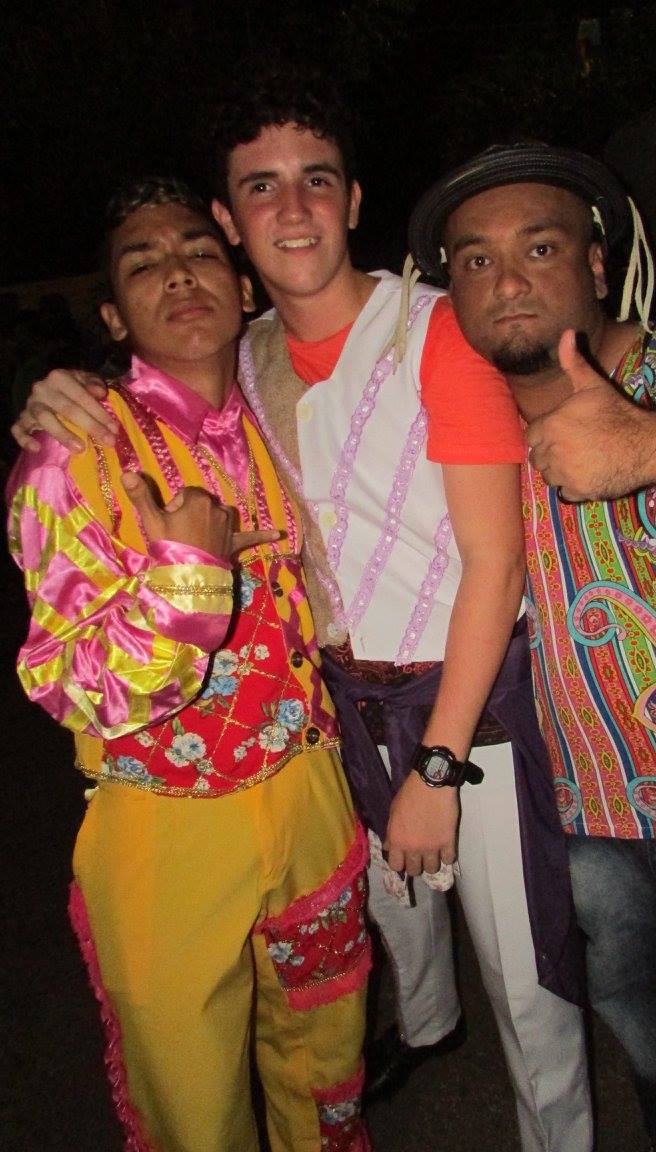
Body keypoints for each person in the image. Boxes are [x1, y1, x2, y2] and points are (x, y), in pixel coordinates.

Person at [10, 73, 592, 1152]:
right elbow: (70, 662)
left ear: (352, 200)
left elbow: (495, 561)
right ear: (231, 224)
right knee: (263, 1051)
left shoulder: (395, 342)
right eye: (259, 189)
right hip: (265, 767)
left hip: (427, 732)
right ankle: (425, 1033)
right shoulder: (173, 397)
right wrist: (67, 403)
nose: (291, 211)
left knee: (483, 1003)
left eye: (315, 181)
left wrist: (437, 769)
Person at [407, 140, 656, 1152]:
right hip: (594, 831)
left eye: (540, 246)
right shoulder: (464, 439)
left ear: (597, 264)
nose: (507, 280)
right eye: (475, 260)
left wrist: (651, 445)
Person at [7, 177, 371, 1152]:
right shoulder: (72, 457)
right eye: (144, 264)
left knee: (326, 1066)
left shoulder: (280, 410)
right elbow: (67, 681)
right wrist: (186, 583)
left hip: (307, 789)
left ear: (245, 288)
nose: (177, 274)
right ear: (112, 317)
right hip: (167, 825)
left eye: (199, 252)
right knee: (196, 1114)